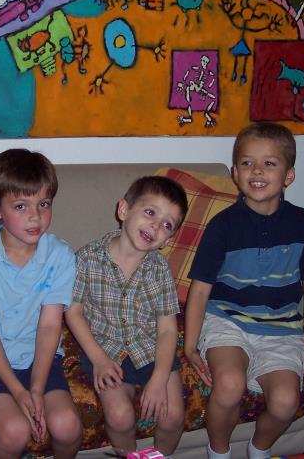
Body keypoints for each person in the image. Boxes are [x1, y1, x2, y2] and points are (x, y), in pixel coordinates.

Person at [183, 122, 304, 459]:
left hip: (282, 329)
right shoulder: (222, 226)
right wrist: (190, 346)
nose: (257, 171)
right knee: (229, 385)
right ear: (236, 173)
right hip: (227, 321)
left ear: (288, 176)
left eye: (269, 163)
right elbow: (200, 290)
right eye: (247, 163)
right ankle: (218, 451)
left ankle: (259, 449)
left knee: (285, 402)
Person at [0, 148, 83, 459]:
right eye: (20, 206)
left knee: (68, 426)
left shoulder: (60, 255)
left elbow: (49, 326)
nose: (35, 216)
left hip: (38, 359)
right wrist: (19, 392)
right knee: (15, 431)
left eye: (44, 204)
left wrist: (36, 388)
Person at [65, 176, 188, 458]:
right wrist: (98, 359)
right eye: (150, 212)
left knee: (172, 416)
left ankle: (161, 456)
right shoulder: (87, 258)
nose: (156, 226)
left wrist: (159, 378)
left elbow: (168, 330)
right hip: (105, 349)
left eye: (167, 225)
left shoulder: (159, 269)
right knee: (120, 416)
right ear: (123, 210)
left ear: (168, 239)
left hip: (150, 348)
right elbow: (73, 311)